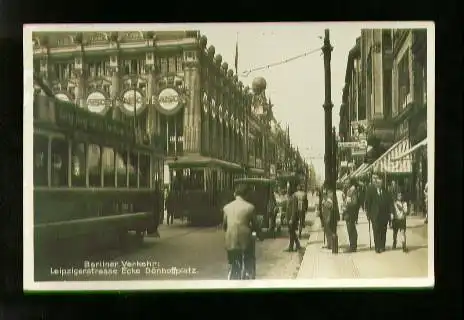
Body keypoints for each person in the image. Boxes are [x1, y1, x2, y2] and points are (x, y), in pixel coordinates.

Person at [223, 183, 262, 280]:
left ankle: (232, 274)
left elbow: (224, 226)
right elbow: (256, 225)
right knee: (249, 258)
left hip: (230, 240)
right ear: (246, 195)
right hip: (245, 240)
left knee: (233, 261)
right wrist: (259, 235)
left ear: (235, 194)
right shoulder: (250, 207)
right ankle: (248, 275)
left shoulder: (226, 207)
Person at [365, 173, 394, 253]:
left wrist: (391, 212)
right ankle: (377, 246)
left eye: (380, 183)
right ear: (376, 183)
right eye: (377, 182)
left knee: (383, 230)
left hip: (384, 215)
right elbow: (367, 203)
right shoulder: (371, 191)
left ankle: (382, 246)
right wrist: (368, 214)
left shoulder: (385, 191)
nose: (379, 184)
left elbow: (390, 202)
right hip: (375, 214)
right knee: (376, 230)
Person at [343, 178, 359, 252]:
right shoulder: (348, 191)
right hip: (348, 213)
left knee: (351, 229)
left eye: (346, 183)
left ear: (350, 184)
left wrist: (346, 206)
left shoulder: (353, 191)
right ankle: (352, 245)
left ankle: (353, 246)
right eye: (345, 183)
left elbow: (354, 202)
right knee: (350, 229)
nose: (345, 184)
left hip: (350, 213)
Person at [285, 186, 301, 252]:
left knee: (292, 232)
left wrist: (292, 219)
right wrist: (286, 218)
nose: (287, 192)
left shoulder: (294, 198)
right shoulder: (290, 198)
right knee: (292, 232)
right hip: (289, 218)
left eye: (288, 190)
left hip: (292, 219)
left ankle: (291, 247)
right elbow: (287, 209)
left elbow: (294, 210)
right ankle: (297, 245)